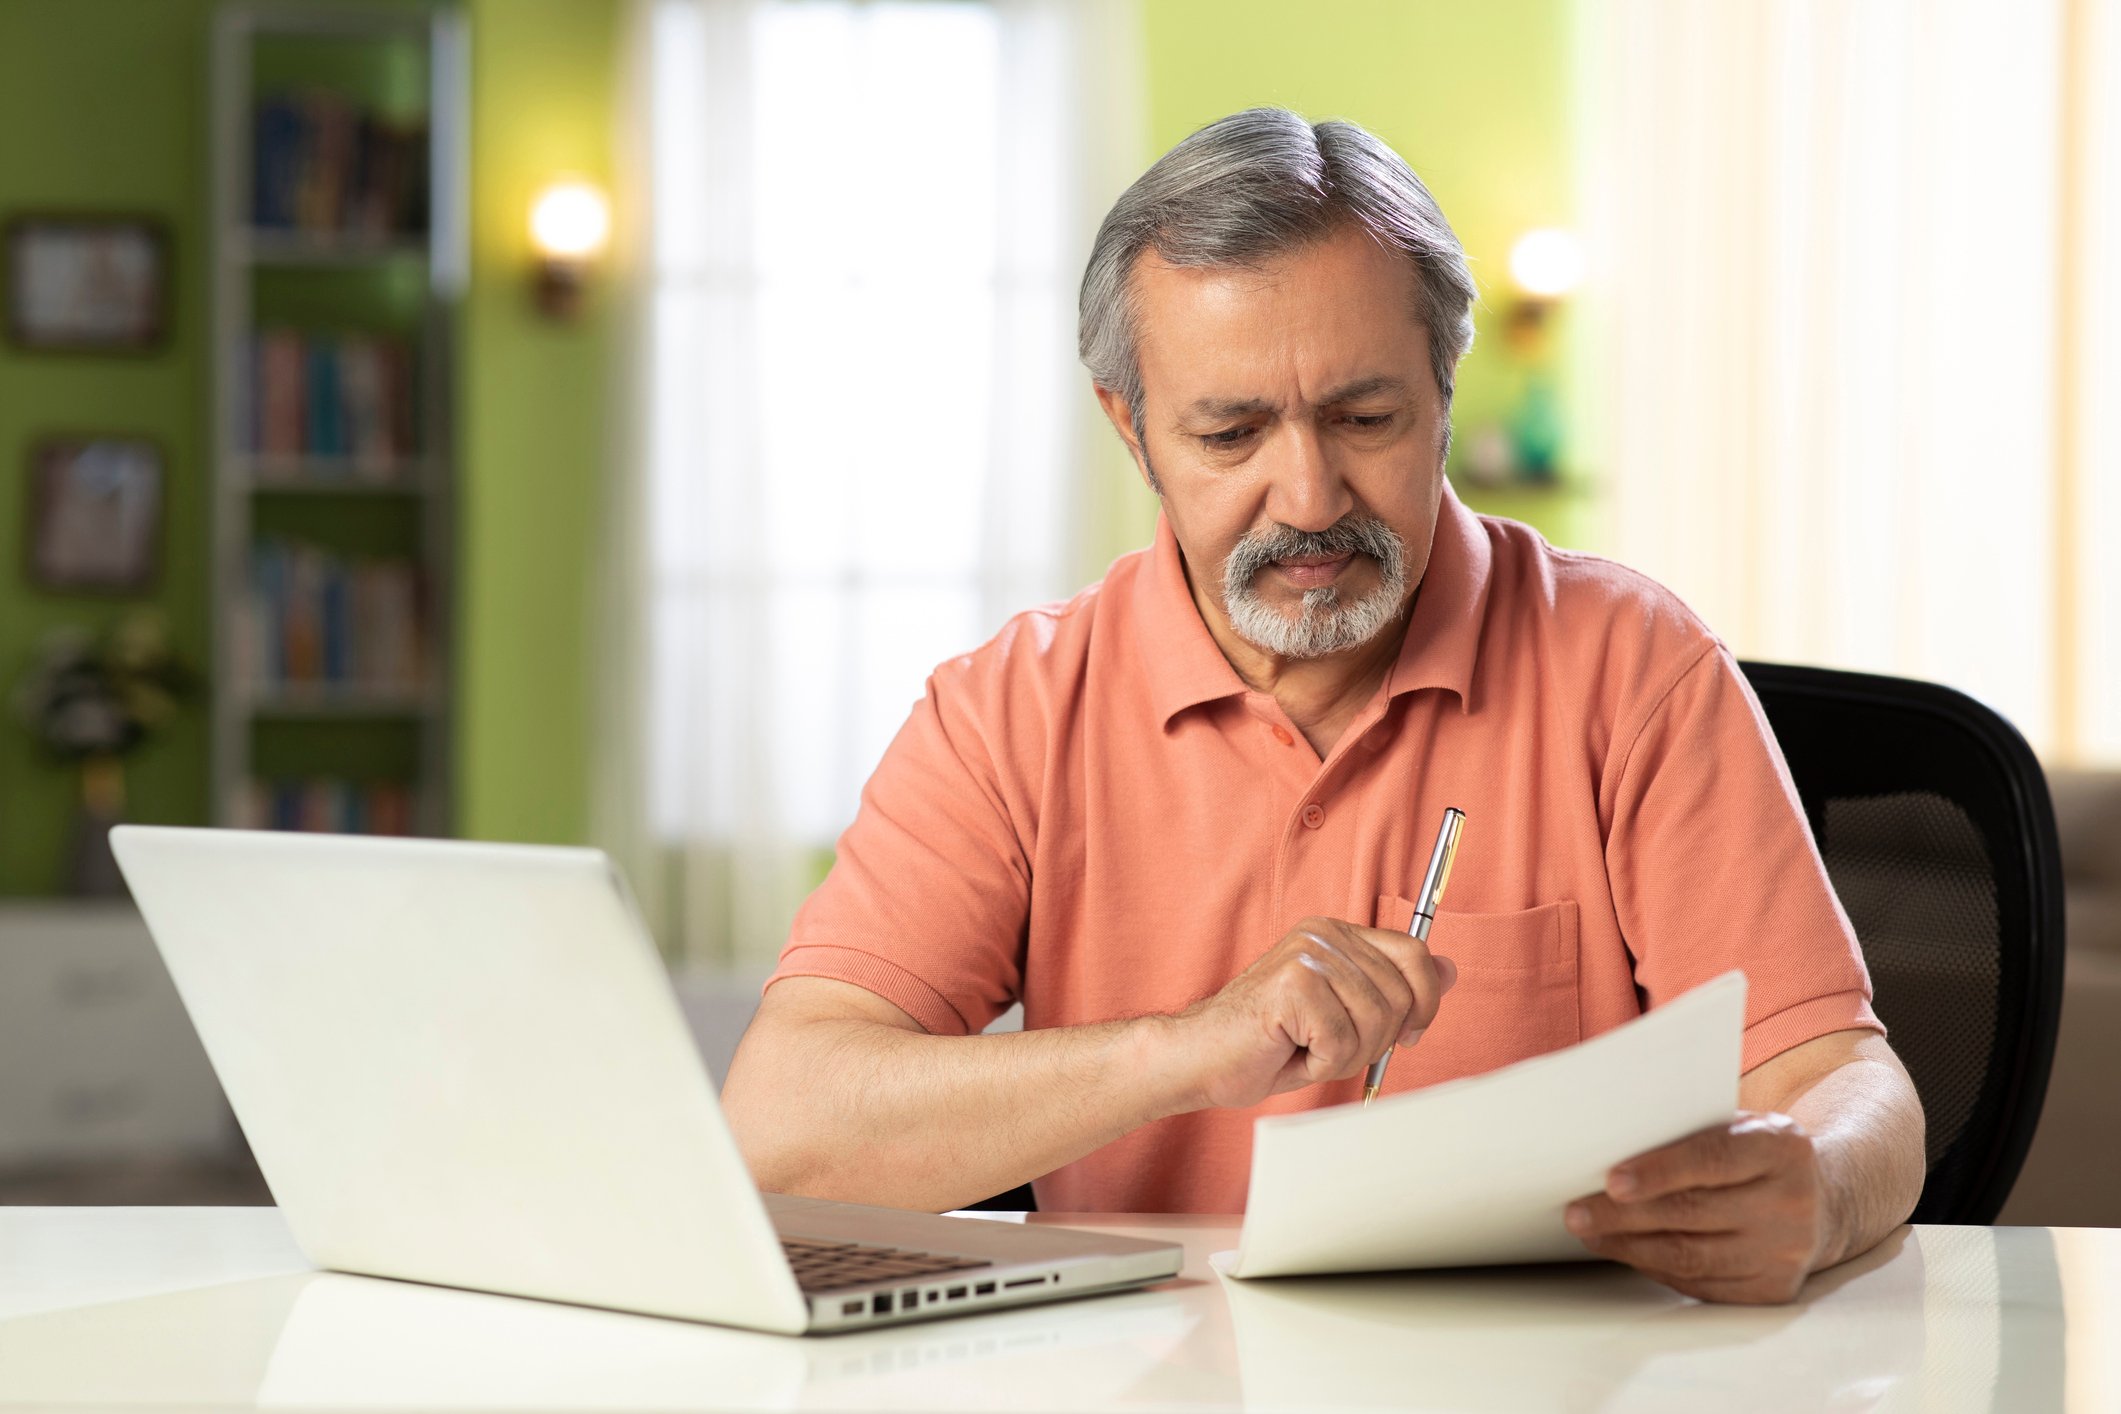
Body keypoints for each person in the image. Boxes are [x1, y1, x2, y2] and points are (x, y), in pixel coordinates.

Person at [721, 108, 1925, 1305]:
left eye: (1364, 419)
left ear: (1445, 390)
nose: (1306, 498)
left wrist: (1817, 1185)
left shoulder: (1636, 667)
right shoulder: (1007, 712)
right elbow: (780, 1133)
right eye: (1231, 431)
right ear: (1130, 427)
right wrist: (1184, 1048)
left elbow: (1846, 1081)